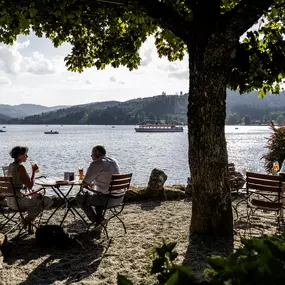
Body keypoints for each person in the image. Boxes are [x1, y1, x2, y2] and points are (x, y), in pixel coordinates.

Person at [7, 146, 53, 234]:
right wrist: (34, 171)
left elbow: (22, 184)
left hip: (10, 201)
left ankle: (29, 222)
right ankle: (27, 220)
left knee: (36, 197)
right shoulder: (20, 167)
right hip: (19, 202)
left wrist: (33, 191)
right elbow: (31, 185)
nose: (27, 157)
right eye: (25, 154)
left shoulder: (11, 165)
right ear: (20, 155)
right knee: (47, 201)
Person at [76, 145, 123, 225]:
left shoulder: (97, 163)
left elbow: (84, 183)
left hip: (106, 199)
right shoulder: (113, 161)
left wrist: (87, 183)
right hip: (119, 198)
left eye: (92, 152)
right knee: (97, 192)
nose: (91, 155)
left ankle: (97, 220)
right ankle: (100, 218)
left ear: (97, 152)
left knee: (79, 197)